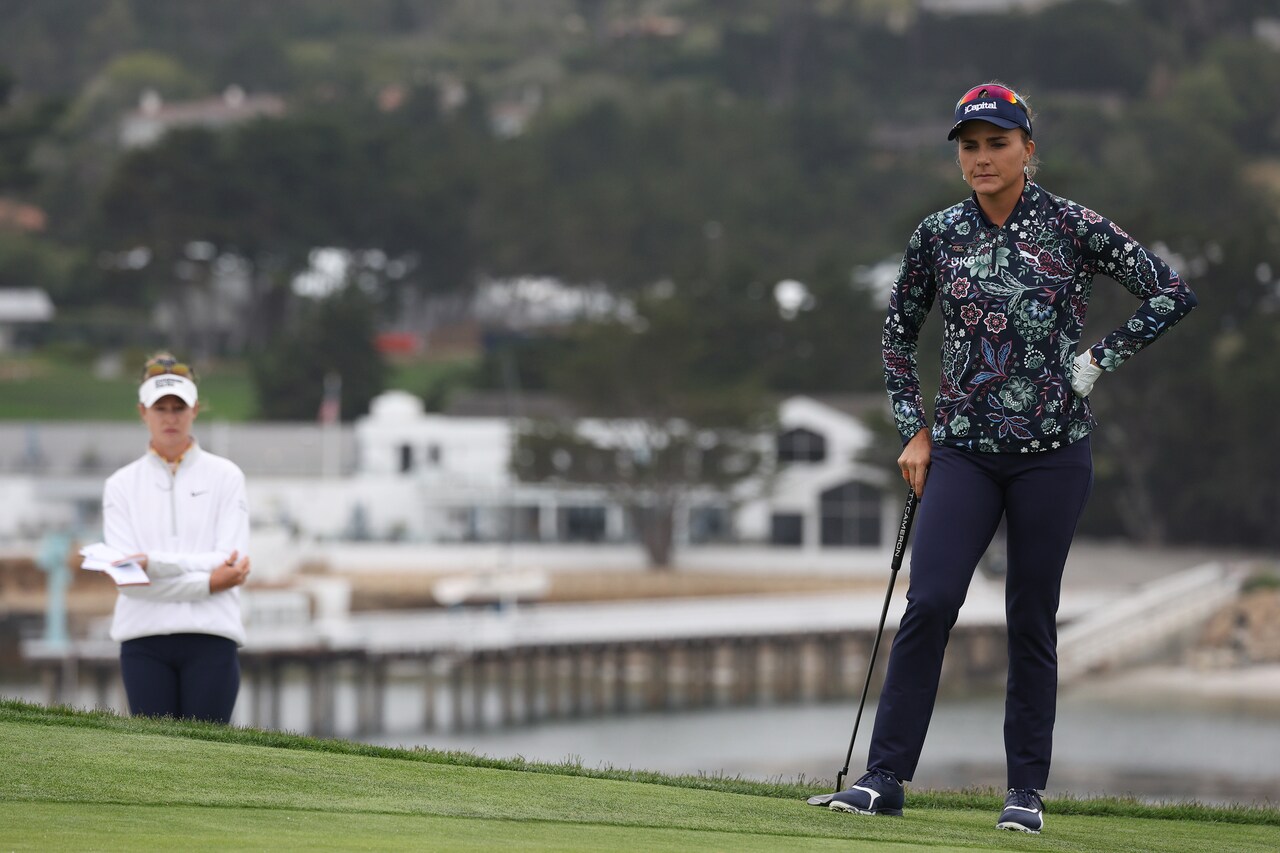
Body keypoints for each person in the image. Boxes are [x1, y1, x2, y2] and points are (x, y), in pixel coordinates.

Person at [827, 82, 1197, 833]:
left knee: (1032, 616)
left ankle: (1024, 791)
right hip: (962, 453)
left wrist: (1098, 360)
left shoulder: (1072, 225)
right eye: (970, 146)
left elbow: (1170, 291)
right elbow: (898, 334)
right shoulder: (937, 234)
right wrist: (913, 428)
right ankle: (884, 776)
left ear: (1028, 148)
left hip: (1052, 456)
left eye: (998, 143)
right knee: (929, 602)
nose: (982, 158)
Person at [101, 352, 251, 724]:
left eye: (178, 407)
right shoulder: (120, 485)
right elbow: (128, 581)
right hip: (142, 640)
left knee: (207, 760)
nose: (170, 417)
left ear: (195, 409)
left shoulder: (226, 476)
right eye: (161, 408)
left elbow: (229, 561)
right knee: (156, 763)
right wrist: (207, 583)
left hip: (212, 637)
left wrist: (153, 564)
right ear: (142, 412)